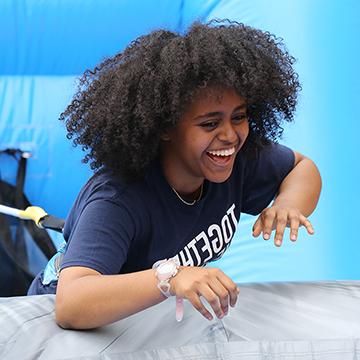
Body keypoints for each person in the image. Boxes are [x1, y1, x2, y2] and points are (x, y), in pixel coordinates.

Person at [28, 19, 322, 330]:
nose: (230, 135)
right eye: (210, 124)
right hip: (58, 328)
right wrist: (170, 277)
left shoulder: (236, 160)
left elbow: (301, 167)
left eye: (239, 117)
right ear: (166, 127)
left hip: (143, 325)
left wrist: (289, 204)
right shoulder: (118, 200)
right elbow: (72, 304)